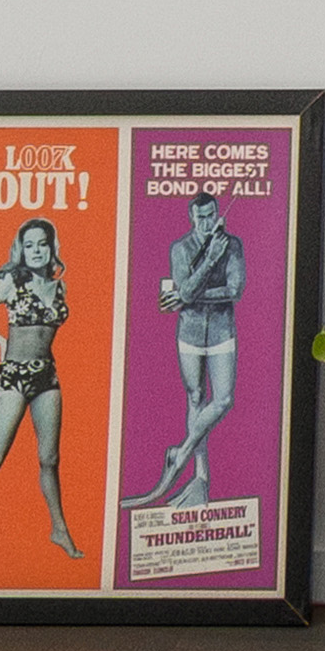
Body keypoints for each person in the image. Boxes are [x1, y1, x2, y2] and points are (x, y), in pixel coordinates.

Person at [0, 210, 75, 574]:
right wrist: (0, 342)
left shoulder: (59, 287)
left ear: (51, 248)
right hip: (13, 375)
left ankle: (59, 529)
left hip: (47, 376)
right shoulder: (11, 282)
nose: (36, 250)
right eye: (29, 245)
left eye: (42, 244)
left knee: (50, 459)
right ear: (21, 250)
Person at [134, 189, 252, 510]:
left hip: (221, 332)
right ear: (191, 217)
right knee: (196, 398)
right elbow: (182, 289)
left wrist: (190, 295)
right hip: (189, 334)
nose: (206, 222)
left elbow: (234, 290)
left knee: (223, 399)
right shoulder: (180, 248)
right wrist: (209, 261)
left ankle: (181, 451)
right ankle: (201, 476)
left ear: (218, 214)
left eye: (211, 215)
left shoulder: (232, 245)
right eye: (200, 217)